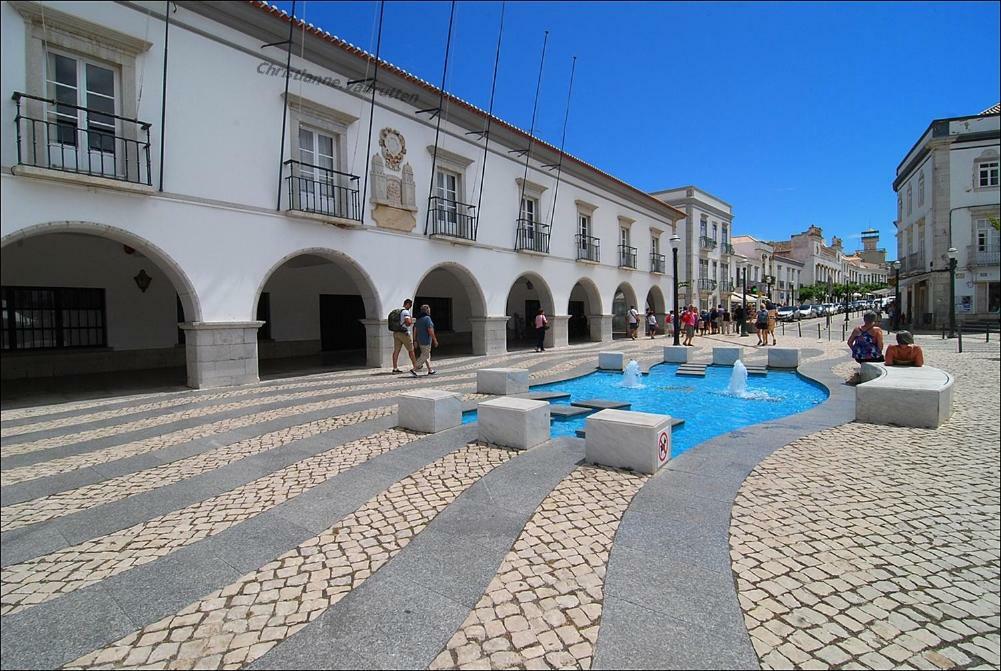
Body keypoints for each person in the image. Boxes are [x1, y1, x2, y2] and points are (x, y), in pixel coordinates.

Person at [391, 298, 418, 374]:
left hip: (396, 333)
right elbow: (408, 322)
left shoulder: (398, 311)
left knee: (396, 351)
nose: (410, 307)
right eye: (410, 305)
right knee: (411, 350)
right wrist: (411, 321)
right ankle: (415, 366)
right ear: (408, 304)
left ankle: (395, 368)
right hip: (404, 333)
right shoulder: (405, 312)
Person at [412, 304, 439, 376]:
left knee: (426, 354)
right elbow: (430, 330)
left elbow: (415, 330)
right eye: (429, 309)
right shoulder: (427, 318)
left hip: (420, 340)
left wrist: (415, 340)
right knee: (425, 355)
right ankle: (414, 368)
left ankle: (430, 370)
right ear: (427, 310)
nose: (430, 311)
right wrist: (435, 340)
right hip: (426, 340)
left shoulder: (418, 319)